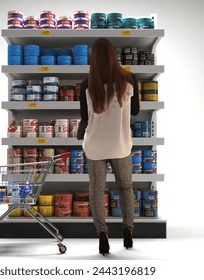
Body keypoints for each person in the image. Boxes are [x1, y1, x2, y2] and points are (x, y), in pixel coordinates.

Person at [78, 38, 140, 255]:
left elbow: (84, 117)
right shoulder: (128, 79)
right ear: (114, 55)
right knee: (125, 188)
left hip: (95, 145)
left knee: (96, 190)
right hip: (120, 144)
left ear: (93, 58)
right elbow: (135, 111)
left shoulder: (87, 83)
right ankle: (128, 232)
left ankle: (102, 236)